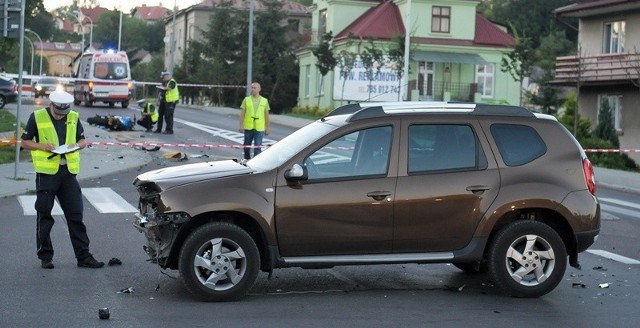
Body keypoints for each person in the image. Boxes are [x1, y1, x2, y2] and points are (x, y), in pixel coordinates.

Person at [20, 90, 104, 269]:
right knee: (44, 215)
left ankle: (84, 256)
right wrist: (44, 147)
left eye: (62, 114)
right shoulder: (37, 117)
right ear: (51, 105)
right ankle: (45, 256)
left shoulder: (73, 116)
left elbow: (82, 140)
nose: (60, 116)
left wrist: (76, 145)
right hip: (47, 174)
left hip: (68, 173)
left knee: (76, 215)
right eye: (57, 113)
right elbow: (25, 142)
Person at [239, 82, 270, 159]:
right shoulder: (246, 100)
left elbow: (267, 116)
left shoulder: (264, 101)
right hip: (248, 127)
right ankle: (247, 160)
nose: (253, 89)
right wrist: (241, 125)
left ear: (259, 89)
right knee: (246, 147)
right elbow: (242, 114)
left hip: (259, 128)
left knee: (257, 148)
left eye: (254, 88)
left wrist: (267, 128)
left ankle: (255, 162)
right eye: (252, 88)